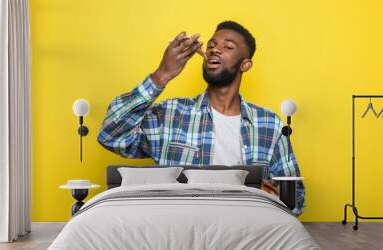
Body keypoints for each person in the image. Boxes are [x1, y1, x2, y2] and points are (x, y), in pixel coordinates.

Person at [97, 21, 305, 216]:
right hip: (178, 233)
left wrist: (253, 197)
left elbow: (295, 196)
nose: (215, 49)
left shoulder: (269, 125)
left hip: (244, 236)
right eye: (212, 45)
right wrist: (162, 75)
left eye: (228, 47)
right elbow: (111, 135)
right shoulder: (170, 115)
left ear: (245, 65)